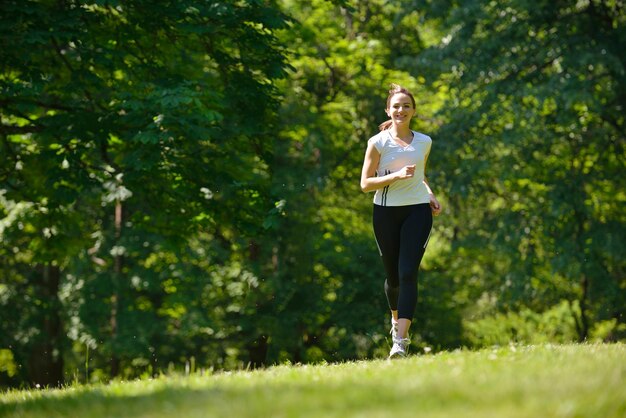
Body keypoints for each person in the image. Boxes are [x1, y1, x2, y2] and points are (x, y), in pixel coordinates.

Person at [360, 83, 442, 359]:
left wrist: (429, 194)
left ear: (414, 111)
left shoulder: (425, 141)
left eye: (407, 106)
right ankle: (396, 322)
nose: (401, 110)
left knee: (408, 273)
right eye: (396, 106)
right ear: (388, 110)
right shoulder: (377, 143)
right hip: (385, 212)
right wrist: (394, 177)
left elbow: (420, 174)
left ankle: (401, 341)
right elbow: (365, 183)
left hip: (417, 211)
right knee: (393, 277)